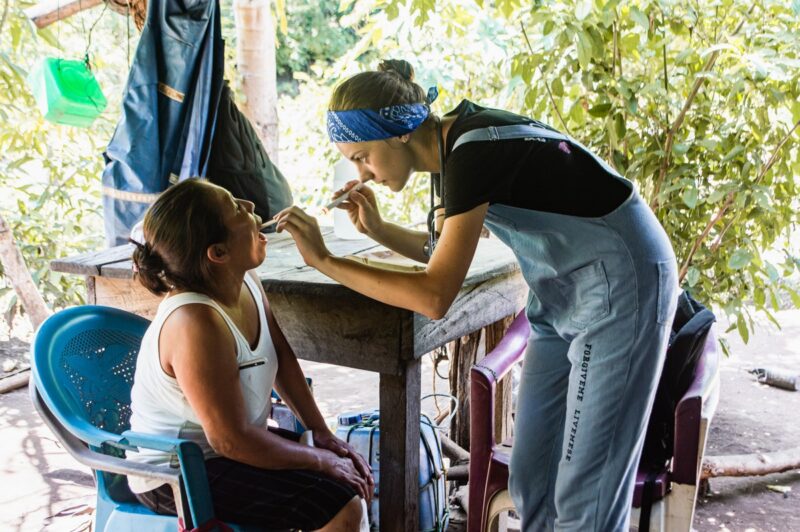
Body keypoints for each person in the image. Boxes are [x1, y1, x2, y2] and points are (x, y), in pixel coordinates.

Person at [274, 60, 680, 531]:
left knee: (585, 492)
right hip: (562, 294)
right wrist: (380, 230)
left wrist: (324, 260)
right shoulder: (453, 148)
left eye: (363, 156)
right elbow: (441, 253)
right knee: (533, 478)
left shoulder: (473, 152)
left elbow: (433, 295)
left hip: (622, 284)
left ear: (401, 133)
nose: (361, 174)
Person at [128, 178, 371, 531]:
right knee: (341, 507)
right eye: (235, 206)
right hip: (175, 471)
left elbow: (283, 361)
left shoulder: (245, 281)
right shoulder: (196, 322)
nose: (251, 205)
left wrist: (321, 433)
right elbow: (230, 440)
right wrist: (318, 461)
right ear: (219, 253)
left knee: (348, 475)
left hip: (228, 451)